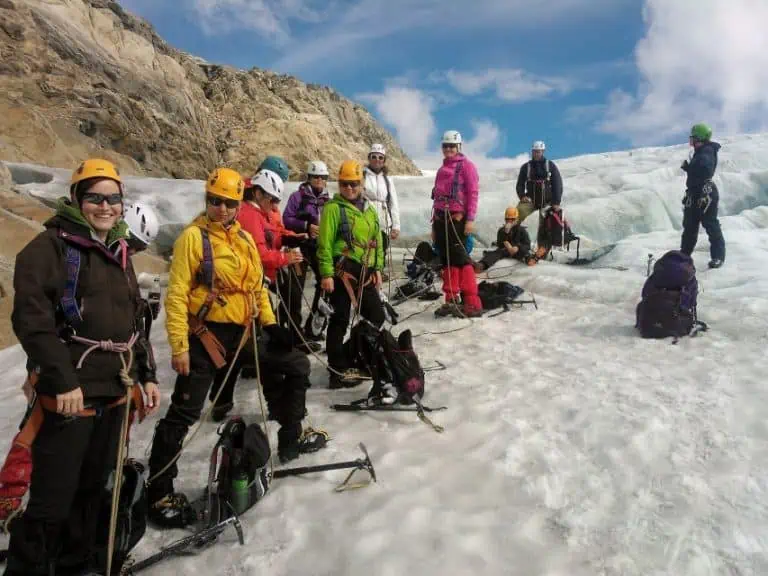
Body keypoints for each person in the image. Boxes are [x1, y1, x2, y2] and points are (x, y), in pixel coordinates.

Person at [4, 159, 161, 575]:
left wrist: (145, 375)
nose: (105, 206)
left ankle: (75, 566)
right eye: (94, 197)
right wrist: (62, 380)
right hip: (70, 397)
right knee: (52, 502)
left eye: (113, 198)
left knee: (93, 492)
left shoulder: (118, 252)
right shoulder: (49, 248)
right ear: (76, 198)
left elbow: (132, 322)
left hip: (112, 392)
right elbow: (31, 321)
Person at [147, 167, 320, 529]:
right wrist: (179, 346)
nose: (222, 209)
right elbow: (177, 295)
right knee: (184, 412)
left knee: (296, 365)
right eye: (215, 201)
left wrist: (271, 325)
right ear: (207, 201)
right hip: (204, 336)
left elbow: (257, 287)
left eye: (229, 203)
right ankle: (159, 489)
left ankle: (290, 436)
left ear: (238, 204)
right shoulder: (193, 239)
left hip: (242, 333)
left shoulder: (241, 239)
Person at [317, 160, 386, 390]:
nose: (349, 189)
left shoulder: (370, 210)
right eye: (345, 184)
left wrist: (377, 268)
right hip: (341, 270)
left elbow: (377, 241)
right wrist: (326, 273)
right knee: (339, 320)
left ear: (361, 183)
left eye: (354, 184)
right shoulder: (333, 209)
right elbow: (325, 243)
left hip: (364, 271)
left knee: (376, 315)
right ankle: (336, 371)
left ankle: (350, 355)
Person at [237, 169, 317, 353]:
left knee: (287, 299)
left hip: (265, 273)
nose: (274, 205)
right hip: (256, 276)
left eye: (276, 201)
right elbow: (260, 254)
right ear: (258, 194)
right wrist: (284, 258)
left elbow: (272, 235)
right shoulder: (250, 216)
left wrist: (291, 238)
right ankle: (259, 357)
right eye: (272, 200)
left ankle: (282, 343)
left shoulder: (259, 212)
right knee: (264, 315)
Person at [430, 130, 483, 318]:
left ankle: (472, 302)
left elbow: (473, 194)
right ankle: (451, 299)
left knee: (461, 259)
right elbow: (435, 199)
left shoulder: (467, 167)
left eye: (452, 146)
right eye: (445, 146)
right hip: (440, 220)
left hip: (457, 220)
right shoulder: (441, 170)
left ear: (459, 146)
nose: (448, 149)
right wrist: (433, 226)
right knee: (447, 260)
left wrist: (470, 219)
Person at [282, 160, 331, 341]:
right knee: (295, 289)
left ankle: (314, 328)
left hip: (318, 248)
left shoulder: (328, 201)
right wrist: (305, 226)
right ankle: (293, 331)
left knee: (326, 285)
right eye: (315, 177)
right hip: (300, 246)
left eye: (322, 177)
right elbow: (286, 219)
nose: (319, 180)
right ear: (309, 178)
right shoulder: (297, 197)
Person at [680, 123, 725, 269]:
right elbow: (700, 170)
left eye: (693, 137)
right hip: (695, 192)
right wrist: (689, 168)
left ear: (699, 137)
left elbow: (705, 169)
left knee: (710, 224)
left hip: (705, 193)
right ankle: (684, 255)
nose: (691, 140)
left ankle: (718, 257)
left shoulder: (707, 151)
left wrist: (691, 167)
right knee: (690, 226)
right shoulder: (700, 152)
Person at [515, 140, 564, 261]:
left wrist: (556, 202)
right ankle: (512, 242)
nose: (536, 153)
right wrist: (522, 196)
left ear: (543, 151)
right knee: (516, 215)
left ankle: (541, 252)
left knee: (545, 227)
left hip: (547, 201)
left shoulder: (550, 165)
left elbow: (557, 184)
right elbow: (520, 184)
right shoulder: (526, 167)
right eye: (535, 151)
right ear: (532, 151)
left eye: (539, 151)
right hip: (531, 199)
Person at [363, 144, 400, 278]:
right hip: (366, 221)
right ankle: (367, 278)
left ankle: (378, 280)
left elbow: (393, 202)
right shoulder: (362, 176)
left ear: (384, 160)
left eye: (380, 157)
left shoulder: (388, 180)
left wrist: (396, 226)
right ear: (369, 158)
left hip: (384, 222)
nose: (377, 160)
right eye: (374, 157)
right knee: (366, 251)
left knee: (381, 251)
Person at [473, 206, 533, 272]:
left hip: (518, 251)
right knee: (495, 253)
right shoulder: (501, 230)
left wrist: (518, 247)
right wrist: (505, 233)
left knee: (525, 253)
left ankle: (530, 260)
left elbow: (527, 245)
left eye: (512, 219)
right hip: (505, 251)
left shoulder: (522, 230)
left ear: (517, 219)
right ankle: (482, 265)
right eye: (507, 219)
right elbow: (500, 245)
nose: (510, 221)